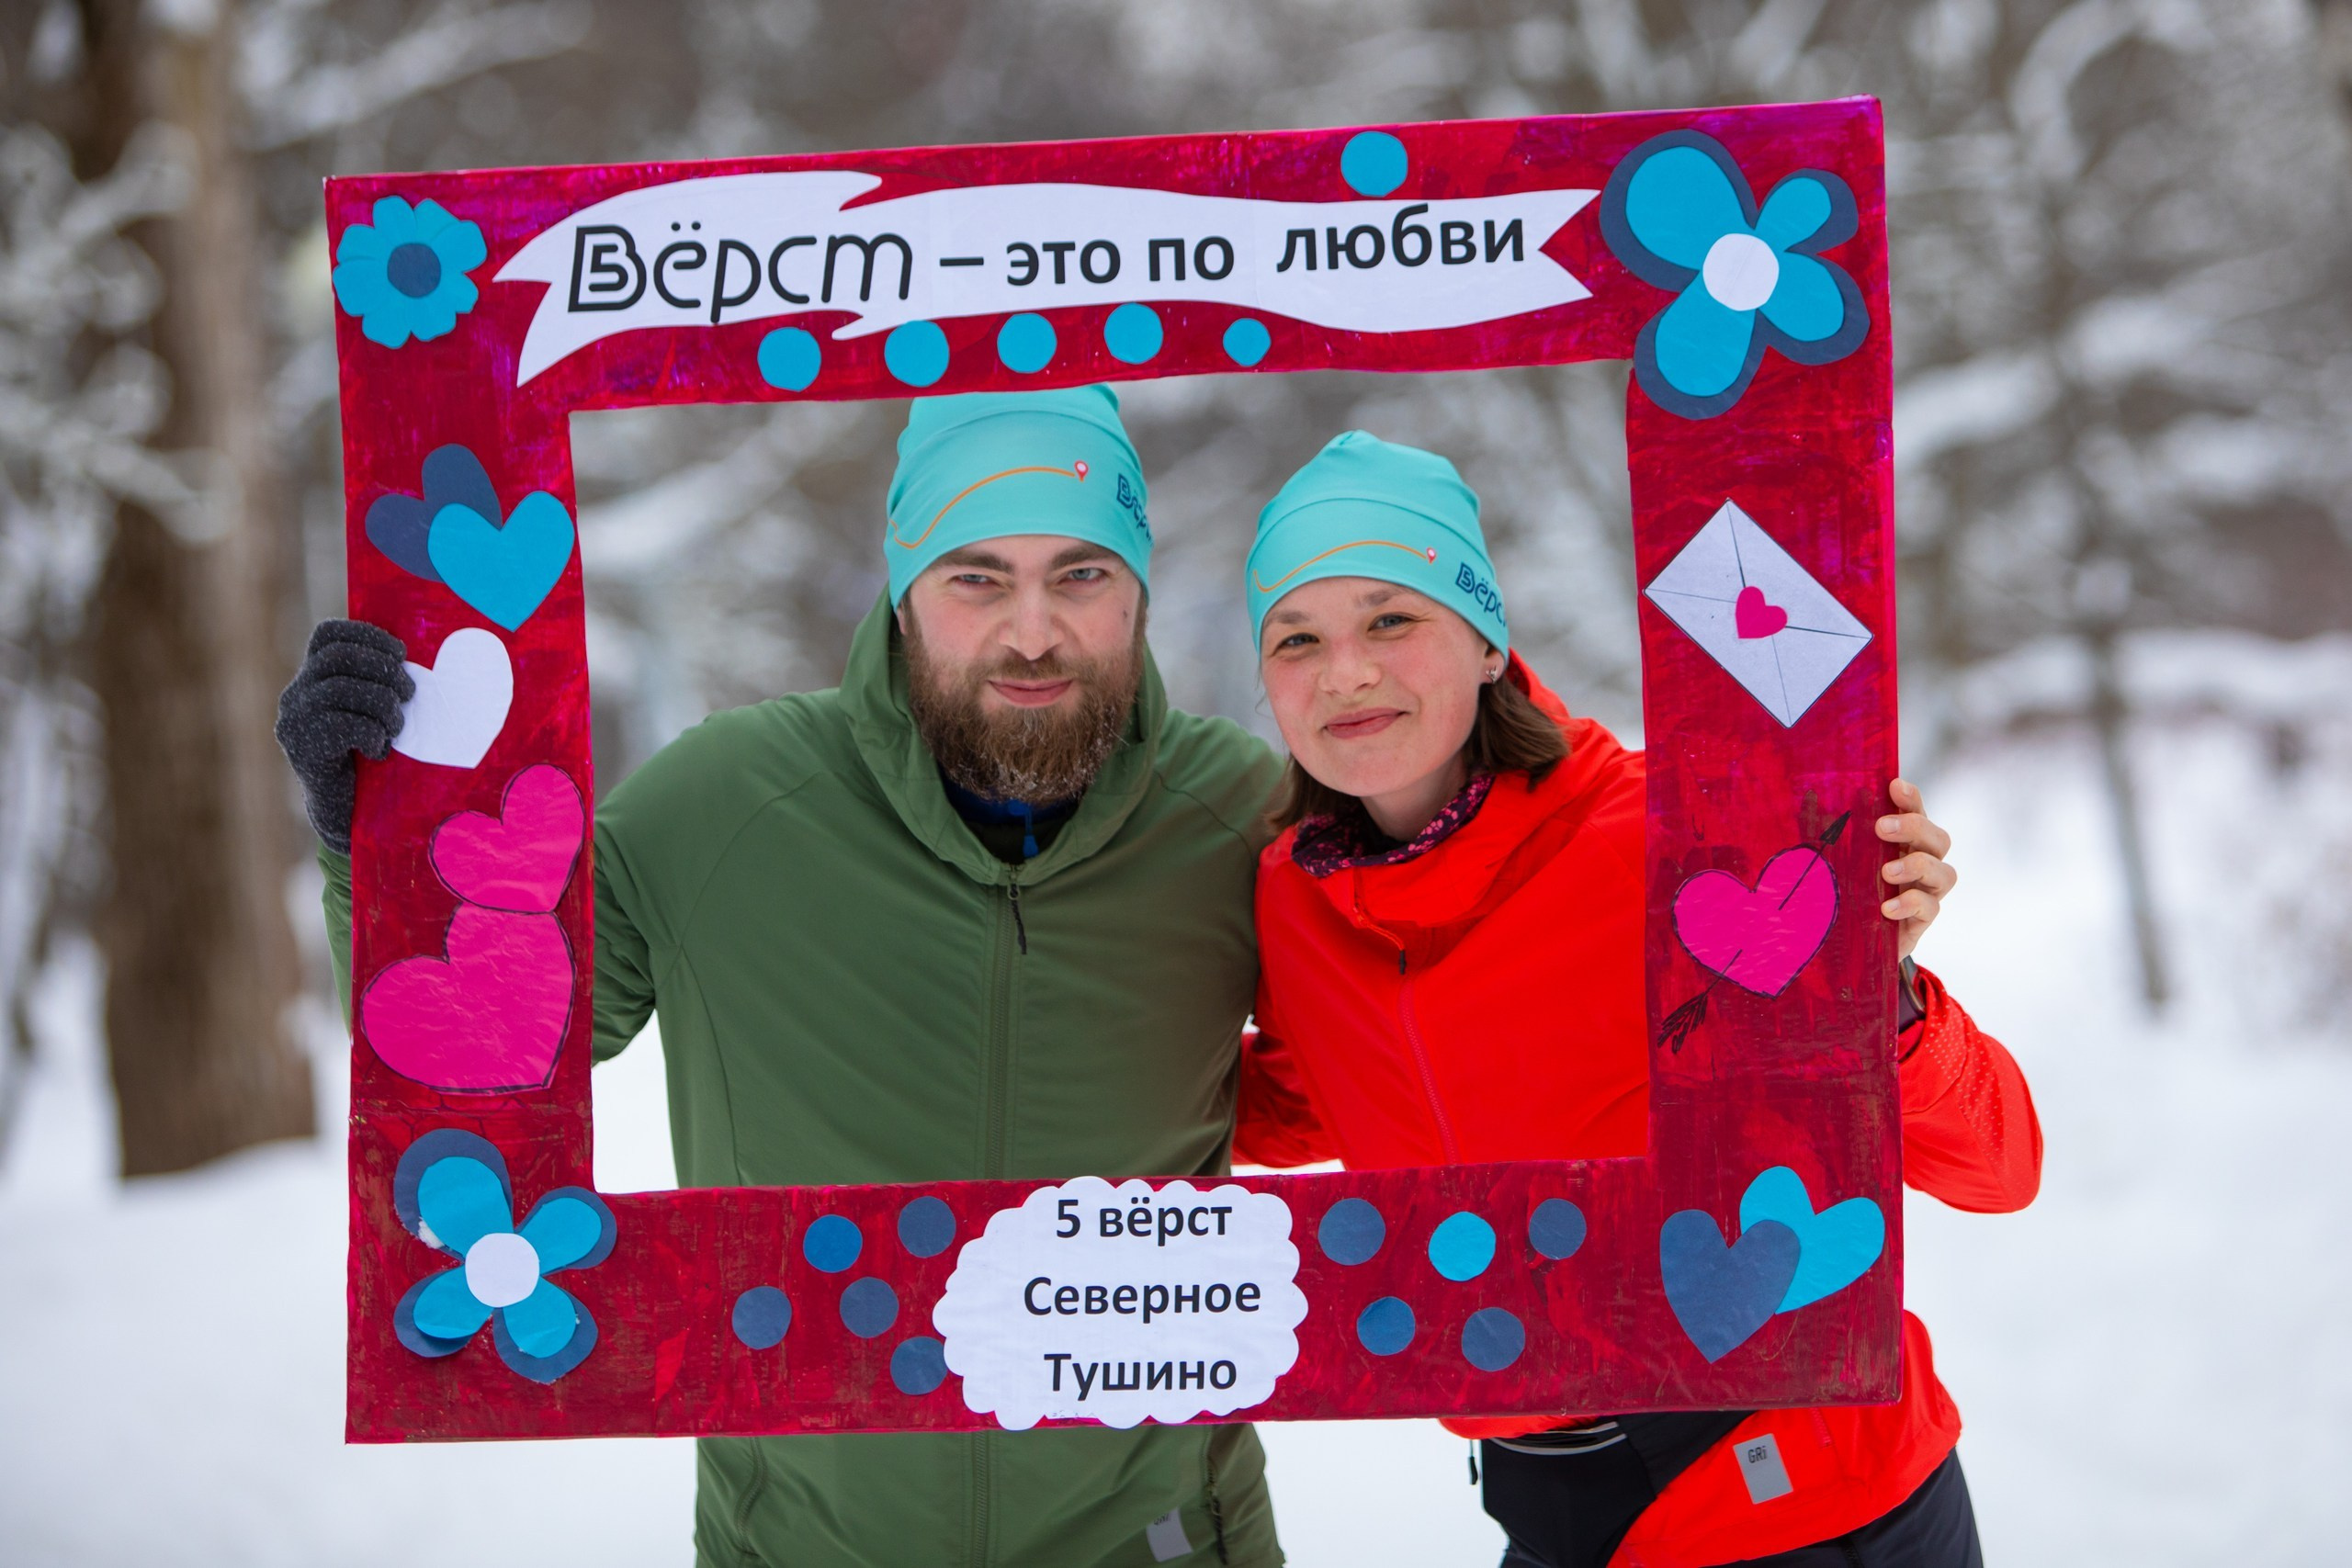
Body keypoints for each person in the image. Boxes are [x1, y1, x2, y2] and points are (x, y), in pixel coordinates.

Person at [277, 387, 1289, 1568]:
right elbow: (494, 1038)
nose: (1031, 631)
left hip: (1163, 1544)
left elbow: (1429, 1015)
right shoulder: (730, 803)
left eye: (1081, 575)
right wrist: (380, 842)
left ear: (1138, 594)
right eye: (975, 577)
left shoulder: (1238, 819)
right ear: (904, 597)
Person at [1231, 432, 2041, 1568]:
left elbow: (1997, 1170)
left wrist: (1880, 998)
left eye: (1389, 618)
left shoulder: (1679, 835)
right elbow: (1310, 1104)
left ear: (1484, 640)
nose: (1345, 672)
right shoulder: (1291, 902)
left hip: (1797, 1492)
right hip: (1556, 1515)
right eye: (1295, 638)